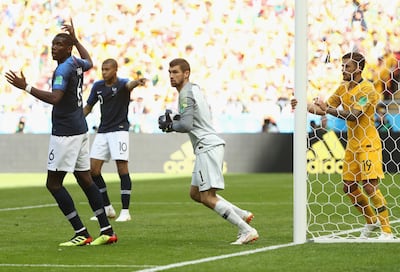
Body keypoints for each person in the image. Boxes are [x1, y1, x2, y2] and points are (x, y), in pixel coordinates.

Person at [5, 19, 117, 246]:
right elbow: (91, 62)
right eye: (52, 44)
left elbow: (55, 98)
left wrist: (26, 87)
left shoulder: (63, 69)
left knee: (53, 184)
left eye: (58, 44)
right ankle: (106, 230)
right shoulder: (76, 62)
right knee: (85, 179)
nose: (53, 48)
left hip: (65, 133)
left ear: (67, 49)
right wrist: (76, 40)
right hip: (79, 129)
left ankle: (82, 232)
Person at [291, 52, 393, 240]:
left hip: (368, 143)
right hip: (353, 145)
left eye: (348, 66)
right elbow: (322, 108)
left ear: (358, 69)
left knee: (370, 187)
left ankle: (387, 231)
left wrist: (327, 108)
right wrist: (302, 105)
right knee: (348, 187)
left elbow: (354, 115)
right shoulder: (343, 88)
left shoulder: (367, 89)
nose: (343, 70)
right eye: (342, 66)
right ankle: (371, 221)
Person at [158, 58, 258, 245]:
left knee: (207, 197)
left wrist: (171, 125)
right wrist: (176, 119)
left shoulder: (185, 94)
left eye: (175, 72)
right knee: (195, 193)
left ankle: (246, 230)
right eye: (169, 72)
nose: (171, 76)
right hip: (207, 145)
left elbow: (186, 125)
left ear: (186, 73)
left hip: (207, 146)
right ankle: (242, 215)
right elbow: (191, 118)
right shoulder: (194, 88)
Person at [83, 58, 146, 222]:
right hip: (103, 131)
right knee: (93, 171)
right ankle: (107, 207)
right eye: (102, 69)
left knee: (122, 169)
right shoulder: (98, 86)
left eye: (107, 69)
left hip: (119, 131)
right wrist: (76, 120)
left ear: (115, 70)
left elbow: (129, 85)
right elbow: (89, 107)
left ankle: (125, 211)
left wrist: (137, 82)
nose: (104, 72)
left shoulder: (122, 84)